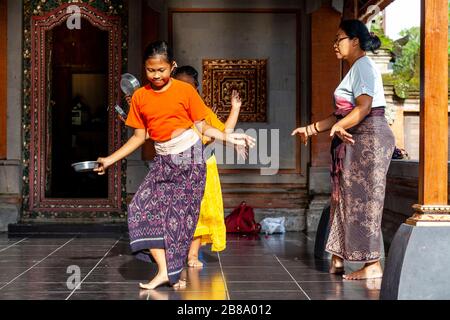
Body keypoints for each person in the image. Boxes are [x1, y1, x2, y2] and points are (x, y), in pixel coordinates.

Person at [94, 41, 255, 290]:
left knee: (179, 219)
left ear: (172, 66)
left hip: (190, 160)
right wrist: (110, 159)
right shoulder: (140, 97)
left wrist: (228, 136)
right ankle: (166, 270)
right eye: (151, 70)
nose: (157, 75)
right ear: (144, 69)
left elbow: (202, 126)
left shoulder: (185, 91)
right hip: (163, 161)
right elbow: (139, 136)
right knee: (138, 208)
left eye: (161, 70)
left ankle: (170, 271)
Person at [292, 20, 395, 280]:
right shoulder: (354, 69)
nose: (334, 44)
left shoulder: (363, 66)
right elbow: (342, 114)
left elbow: (363, 107)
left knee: (365, 200)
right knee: (344, 198)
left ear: (355, 41)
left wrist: (339, 126)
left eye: (339, 39)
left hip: (369, 137)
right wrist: (312, 129)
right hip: (356, 137)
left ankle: (372, 264)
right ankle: (338, 258)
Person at [172, 65, 243, 268]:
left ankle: (192, 255)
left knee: (200, 212)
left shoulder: (203, 112)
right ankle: (177, 252)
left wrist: (235, 109)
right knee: (177, 211)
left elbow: (224, 133)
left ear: (196, 89)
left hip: (203, 167)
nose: (184, 90)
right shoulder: (169, 110)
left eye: (189, 86)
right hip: (176, 167)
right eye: (179, 85)